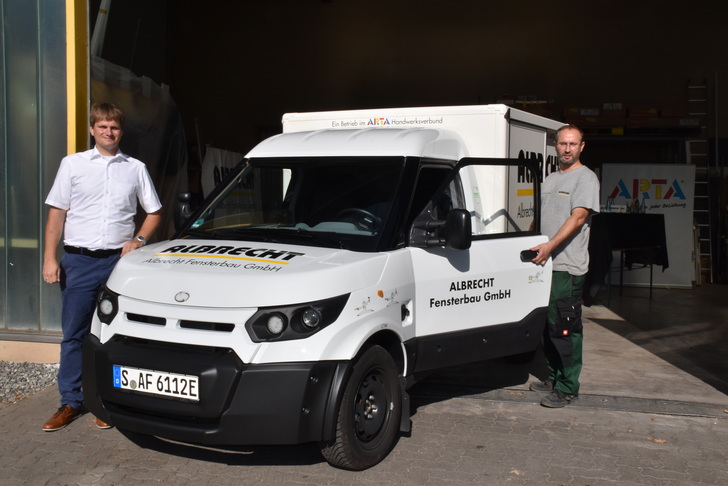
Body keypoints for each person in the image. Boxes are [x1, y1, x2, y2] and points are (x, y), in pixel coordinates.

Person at [42, 103, 163, 431]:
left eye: (115, 128)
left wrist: (138, 239)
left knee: (115, 333)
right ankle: (70, 401)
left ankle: (106, 401)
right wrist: (50, 258)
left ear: (121, 131)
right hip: (79, 262)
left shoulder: (135, 168)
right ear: (93, 129)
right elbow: (57, 213)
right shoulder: (72, 165)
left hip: (117, 265)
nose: (109, 132)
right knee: (75, 335)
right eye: (103, 127)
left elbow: (154, 212)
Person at [529, 124, 600, 408]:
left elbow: (578, 218)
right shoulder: (550, 179)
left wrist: (550, 246)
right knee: (547, 326)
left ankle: (568, 386)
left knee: (565, 327)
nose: (567, 149)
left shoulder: (586, 178)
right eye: (562, 144)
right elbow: (540, 217)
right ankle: (553, 377)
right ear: (555, 146)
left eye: (573, 144)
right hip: (543, 264)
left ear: (582, 147)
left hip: (566, 268)